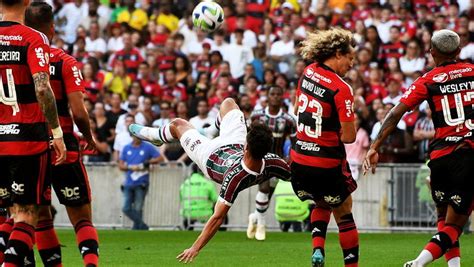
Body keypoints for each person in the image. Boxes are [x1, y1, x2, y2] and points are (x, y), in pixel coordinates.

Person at [128, 97, 291, 263]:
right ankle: (210, 131)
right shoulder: (272, 160)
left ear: (247, 146)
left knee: (178, 124)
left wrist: (195, 247)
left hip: (209, 155)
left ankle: (155, 136)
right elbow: (296, 176)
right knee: (228, 103)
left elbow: (217, 218)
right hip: (233, 144)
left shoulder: (235, 177)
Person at [363, 29, 474, 267]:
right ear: (458, 50)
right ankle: (418, 263)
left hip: (440, 157)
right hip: (467, 155)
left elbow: (395, 113)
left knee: (444, 218)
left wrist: (374, 146)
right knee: (454, 226)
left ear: (431, 52)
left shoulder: (427, 80)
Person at [24, 3, 100, 266]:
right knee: (81, 218)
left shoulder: (19, 58)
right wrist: (89, 137)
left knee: (41, 217)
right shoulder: (65, 61)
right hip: (64, 144)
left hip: (30, 143)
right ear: (53, 29)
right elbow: (79, 112)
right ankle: (90, 264)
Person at [0, 0, 67, 265]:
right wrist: (57, 131)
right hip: (26, 138)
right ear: (27, 2)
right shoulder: (33, 38)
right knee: (28, 215)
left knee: (10, 213)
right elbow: (42, 88)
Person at [291, 28, 359, 267]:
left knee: (321, 202)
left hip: (299, 161)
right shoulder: (341, 88)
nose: (352, 64)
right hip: (326, 162)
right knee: (344, 211)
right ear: (338, 54)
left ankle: (318, 250)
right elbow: (349, 137)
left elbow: (297, 108)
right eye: (350, 58)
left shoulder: (308, 72)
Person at [247, 86, 296, 241]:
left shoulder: (289, 120)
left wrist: (290, 157)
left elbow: (295, 142)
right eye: (272, 94)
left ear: (282, 97)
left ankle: (254, 217)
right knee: (264, 187)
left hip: (278, 161)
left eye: (278, 94)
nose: (275, 97)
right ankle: (261, 225)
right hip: (260, 159)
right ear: (267, 97)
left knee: (267, 196)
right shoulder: (256, 116)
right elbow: (247, 136)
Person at [118, 134, 162, 230]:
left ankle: (137, 228)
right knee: (126, 208)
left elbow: (159, 158)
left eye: (139, 136)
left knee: (138, 208)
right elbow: (120, 165)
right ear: (131, 136)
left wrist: (147, 163)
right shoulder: (126, 147)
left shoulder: (147, 147)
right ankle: (143, 226)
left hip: (142, 181)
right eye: (135, 136)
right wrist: (130, 167)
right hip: (129, 181)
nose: (137, 138)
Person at [179, 164, 218, 230]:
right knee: (221, 208)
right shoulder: (207, 183)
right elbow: (216, 200)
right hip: (205, 214)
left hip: (188, 214)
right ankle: (220, 230)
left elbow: (181, 199)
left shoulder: (185, 184)